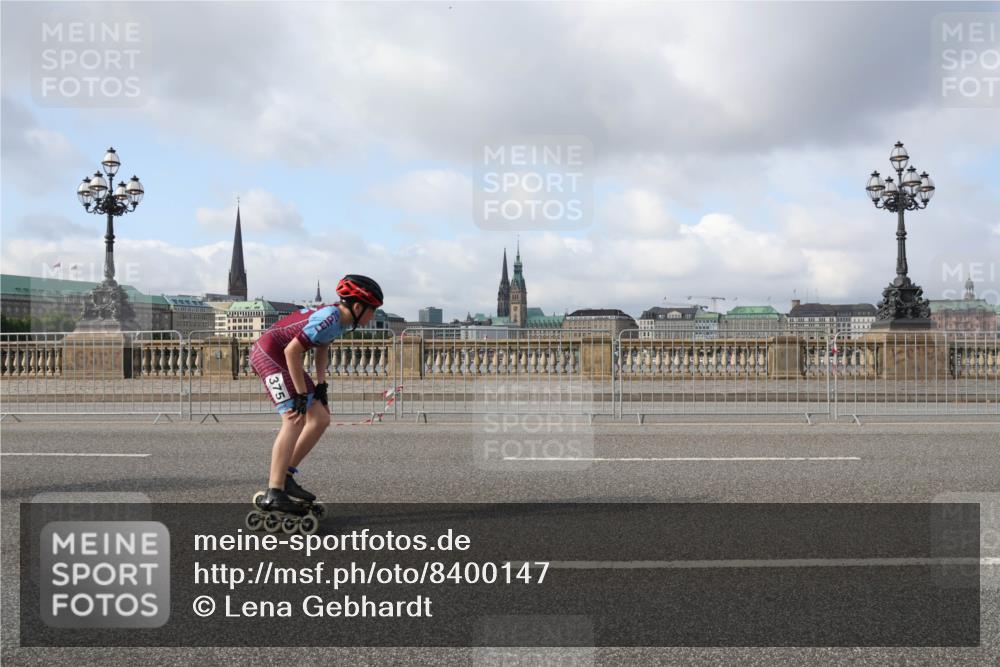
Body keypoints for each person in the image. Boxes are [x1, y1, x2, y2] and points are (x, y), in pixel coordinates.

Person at [249, 274, 384, 513]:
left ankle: (286, 475)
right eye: (371, 310)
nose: (372, 315)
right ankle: (274, 491)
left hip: (282, 355)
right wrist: (301, 395)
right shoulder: (329, 317)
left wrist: (321, 385)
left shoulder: (340, 320)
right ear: (357, 306)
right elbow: (292, 351)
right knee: (294, 419)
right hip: (269, 354)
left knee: (320, 418)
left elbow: (322, 347)